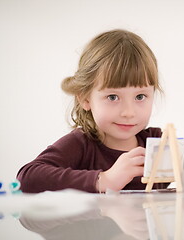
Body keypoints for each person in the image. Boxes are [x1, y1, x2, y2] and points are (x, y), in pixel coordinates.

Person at [17, 29, 168, 193]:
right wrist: (104, 180)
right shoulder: (81, 145)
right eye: (112, 97)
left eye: (140, 97)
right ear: (85, 99)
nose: (128, 112)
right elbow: (27, 178)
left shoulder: (158, 144)